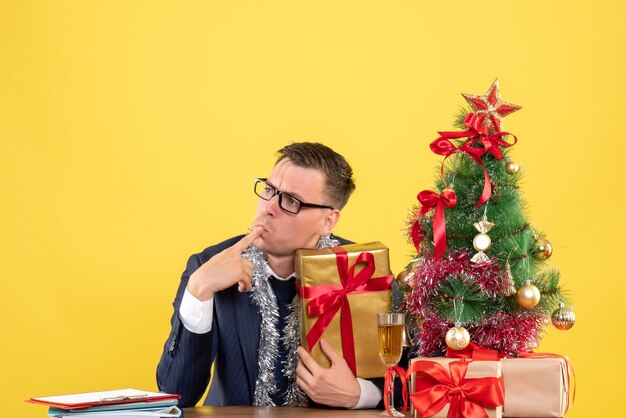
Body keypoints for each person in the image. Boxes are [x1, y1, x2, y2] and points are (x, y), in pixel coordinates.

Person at [156, 142, 383, 409]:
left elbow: (411, 376)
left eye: (291, 201)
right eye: (269, 190)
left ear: (327, 222)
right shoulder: (207, 266)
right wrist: (198, 291)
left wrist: (360, 394)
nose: (268, 208)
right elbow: (176, 394)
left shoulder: (362, 270)